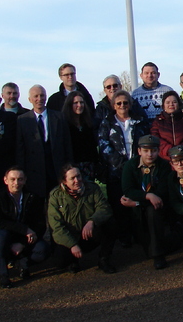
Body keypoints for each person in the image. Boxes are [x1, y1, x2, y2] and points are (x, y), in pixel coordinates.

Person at [99, 89, 150, 247]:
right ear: (114, 105)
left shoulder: (140, 121)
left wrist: (135, 165)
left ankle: (140, 235)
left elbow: (145, 143)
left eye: (125, 103)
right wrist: (123, 166)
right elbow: (104, 146)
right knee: (119, 204)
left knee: (137, 202)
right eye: (119, 103)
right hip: (116, 171)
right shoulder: (107, 123)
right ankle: (124, 236)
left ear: (130, 104)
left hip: (138, 169)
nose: (122, 105)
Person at [49, 164, 116, 273]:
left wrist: (92, 221)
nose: (77, 180)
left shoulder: (92, 188)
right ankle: (72, 261)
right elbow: (56, 226)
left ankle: (104, 259)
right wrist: (72, 244)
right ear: (64, 181)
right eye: (72, 178)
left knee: (110, 223)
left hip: (88, 234)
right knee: (60, 262)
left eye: (78, 176)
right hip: (69, 236)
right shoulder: (55, 196)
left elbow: (104, 208)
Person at [0, 167, 49, 288]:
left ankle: (23, 263)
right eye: (13, 179)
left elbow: (40, 225)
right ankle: (4, 275)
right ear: (5, 180)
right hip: (6, 239)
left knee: (44, 250)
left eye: (20, 179)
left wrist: (22, 243)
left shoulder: (33, 197)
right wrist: (24, 229)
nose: (16, 183)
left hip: (25, 240)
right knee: (0, 237)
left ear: (25, 180)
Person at [120, 135, 172, 269]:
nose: (150, 154)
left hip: (158, 207)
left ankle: (158, 256)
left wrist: (141, 201)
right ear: (139, 151)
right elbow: (128, 190)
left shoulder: (164, 166)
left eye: (153, 150)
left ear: (158, 151)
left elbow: (162, 192)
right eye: (146, 151)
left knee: (153, 212)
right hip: (137, 207)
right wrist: (147, 196)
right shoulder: (130, 165)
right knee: (145, 246)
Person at [16, 85, 73, 199]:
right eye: (35, 96)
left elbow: (67, 144)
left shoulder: (59, 117)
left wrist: (69, 167)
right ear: (30, 99)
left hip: (56, 169)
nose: (39, 99)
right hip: (34, 171)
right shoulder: (23, 120)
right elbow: (20, 149)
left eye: (42, 95)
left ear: (46, 97)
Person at [150, 91, 183, 162]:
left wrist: (180, 149)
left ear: (178, 104)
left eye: (174, 102)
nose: (171, 104)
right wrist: (170, 150)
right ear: (163, 105)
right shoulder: (158, 121)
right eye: (168, 102)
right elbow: (155, 138)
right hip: (164, 160)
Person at [61, 90, 98, 182]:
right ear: (70, 105)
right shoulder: (64, 125)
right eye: (75, 103)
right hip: (72, 167)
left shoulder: (88, 124)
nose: (79, 105)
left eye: (81, 102)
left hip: (89, 166)